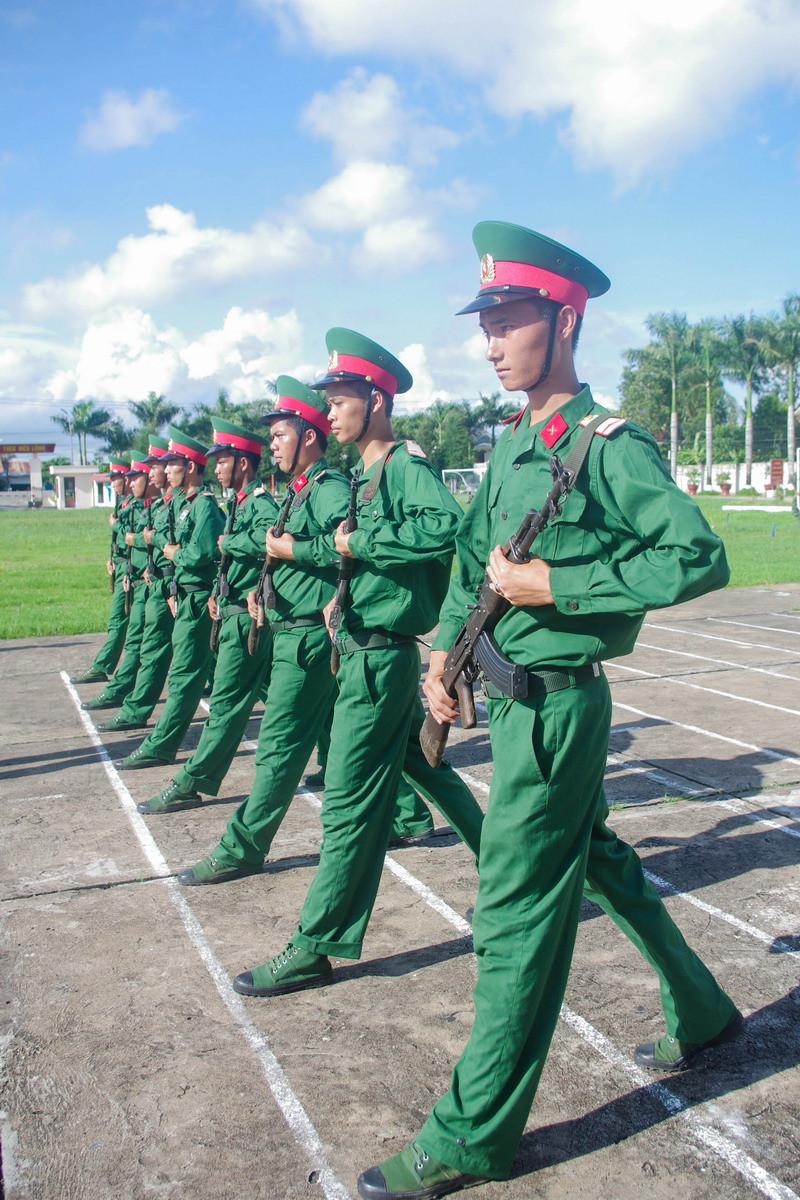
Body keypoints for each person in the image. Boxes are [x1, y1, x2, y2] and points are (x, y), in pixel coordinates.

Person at [356, 222, 742, 1200]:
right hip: (506, 696)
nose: (489, 342)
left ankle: (471, 1135)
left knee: (515, 916)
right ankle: (700, 1010)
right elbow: (472, 569)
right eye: (483, 323)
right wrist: (444, 657)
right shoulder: (516, 443)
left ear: (561, 319)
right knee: (601, 859)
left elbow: (694, 558)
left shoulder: (607, 444)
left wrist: (554, 584)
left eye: (508, 320)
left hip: (556, 710)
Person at [230, 332, 480, 998]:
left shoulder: (401, 466)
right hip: (365, 653)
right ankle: (509, 879)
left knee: (344, 807)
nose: (330, 414)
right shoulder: (370, 473)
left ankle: (315, 946)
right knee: (432, 774)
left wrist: (360, 540)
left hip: (380, 657)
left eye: (341, 401)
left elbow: (444, 528)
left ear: (376, 400)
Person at [176, 376, 350, 871]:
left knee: (277, 748)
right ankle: (419, 820)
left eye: (279, 434)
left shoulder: (327, 488)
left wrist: (330, 590)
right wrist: (263, 588)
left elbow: (350, 547)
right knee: (388, 748)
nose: (271, 444)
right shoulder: (299, 490)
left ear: (308, 437)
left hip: (309, 636)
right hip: (289, 627)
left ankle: (243, 848)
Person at [137, 417, 275, 812]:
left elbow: (270, 547)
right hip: (230, 611)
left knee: (227, 705)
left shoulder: (260, 504)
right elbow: (227, 561)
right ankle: (406, 807)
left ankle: (192, 781)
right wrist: (219, 590)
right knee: (306, 704)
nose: (214, 468)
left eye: (222, 459)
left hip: (249, 619)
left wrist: (229, 553)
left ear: (243, 463)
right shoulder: (238, 502)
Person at [115, 425, 224, 770]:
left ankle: (162, 744)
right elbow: (167, 538)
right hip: (184, 596)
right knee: (237, 677)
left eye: (172, 463)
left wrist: (174, 553)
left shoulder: (203, 506)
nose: (162, 469)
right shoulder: (181, 504)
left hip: (199, 598)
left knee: (185, 676)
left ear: (190, 467)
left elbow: (202, 552)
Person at [99, 435, 177, 732]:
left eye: (162, 465)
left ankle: (133, 706)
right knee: (150, 646)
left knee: (158, 651)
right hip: (155, 584)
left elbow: (187, 547)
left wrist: (147, 552)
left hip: (173, 589)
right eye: (162, 465)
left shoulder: (176, 505)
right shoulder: (163, 505)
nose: (133, 481)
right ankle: (132, 703)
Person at [81, 457, 162, 712]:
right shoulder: (133, 504)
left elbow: (138, 537)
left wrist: (117, 526)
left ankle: (121, 690)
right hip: (136, 575)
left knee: (141, 641)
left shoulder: (151, 507)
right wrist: (117, 560)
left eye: (129, 477)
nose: (123, 482)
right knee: (138, 638)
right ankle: (122, 689)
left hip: (152, 580)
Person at [70, 456, 131, 684]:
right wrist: (113, 559)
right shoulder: (122, 504)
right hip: (122, 566)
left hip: (131, 569)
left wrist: (115, 525)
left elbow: (132, 537)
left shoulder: (134, 505)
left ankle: (102, 665)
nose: (113, 483)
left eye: (116, 478)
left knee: (119, 620)